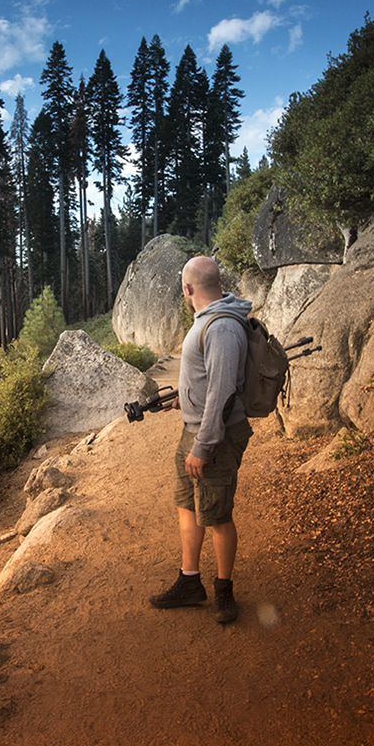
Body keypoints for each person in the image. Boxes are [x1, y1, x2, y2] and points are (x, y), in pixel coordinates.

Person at [148, 255, 253, 624]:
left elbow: (224, 392)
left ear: (188, 289)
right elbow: (208, 381)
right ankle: (189, 581)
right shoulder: (209, 321)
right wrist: (183, 398)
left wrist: (203, 447)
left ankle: (224, 592)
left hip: (214, 437)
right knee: (188, 506)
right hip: (194, 429)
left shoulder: (222, 327)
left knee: (218, 515)